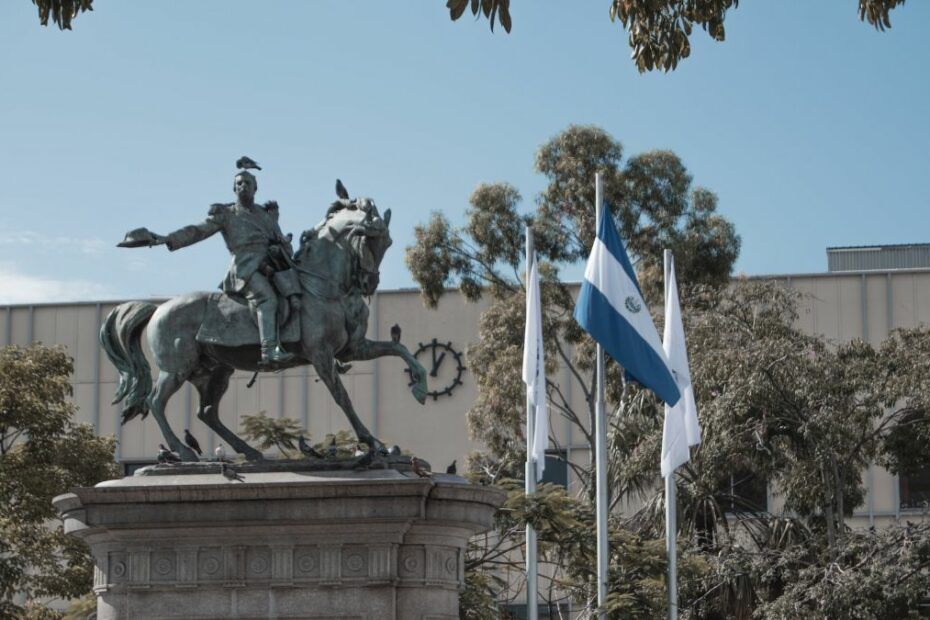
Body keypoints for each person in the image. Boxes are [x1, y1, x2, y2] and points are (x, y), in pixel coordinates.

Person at [149, 170, 297, 368]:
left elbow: (283, 243)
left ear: (256, 188)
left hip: (270, 267)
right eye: (239, 183)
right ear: (234, 188)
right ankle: (269, 350)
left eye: (247, 182)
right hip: (245, 270)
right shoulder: (226, 214)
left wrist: (281, 247)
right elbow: (198, 230)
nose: (243, 185)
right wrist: (169, 239)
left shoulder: (265, 215)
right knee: (267, 299)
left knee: (299, 294)